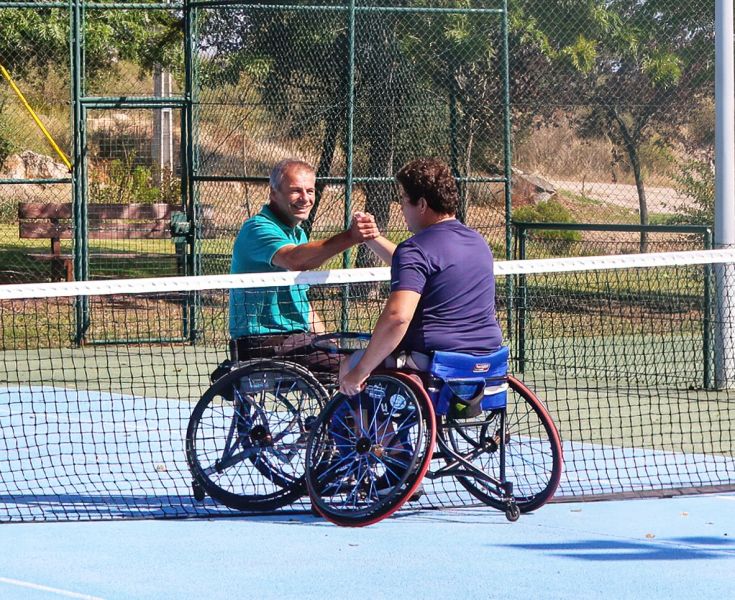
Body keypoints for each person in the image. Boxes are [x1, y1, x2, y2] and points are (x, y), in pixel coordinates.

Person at [340, 157, 503, 395]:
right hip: (486, 360)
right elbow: (424, 266)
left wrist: (361, 371)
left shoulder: (414, 250)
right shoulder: (478, 242)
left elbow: (398, 318)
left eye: (405, 200)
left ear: (423, 204)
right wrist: (373, 238)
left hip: (433, 361)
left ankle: (374, 433)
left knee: (350, 365)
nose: (402, 209)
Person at [228, 158, 379, 370]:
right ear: (273, 193)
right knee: (351, 366)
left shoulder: (298, 234)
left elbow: (302, 305)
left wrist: (329, 343)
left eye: (310, 191)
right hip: (261, 341)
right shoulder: (257, 229)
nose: (305, 198)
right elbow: (294, 260)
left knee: (363, 361)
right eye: (295, 191)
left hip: (296, 339)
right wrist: (350, 237)